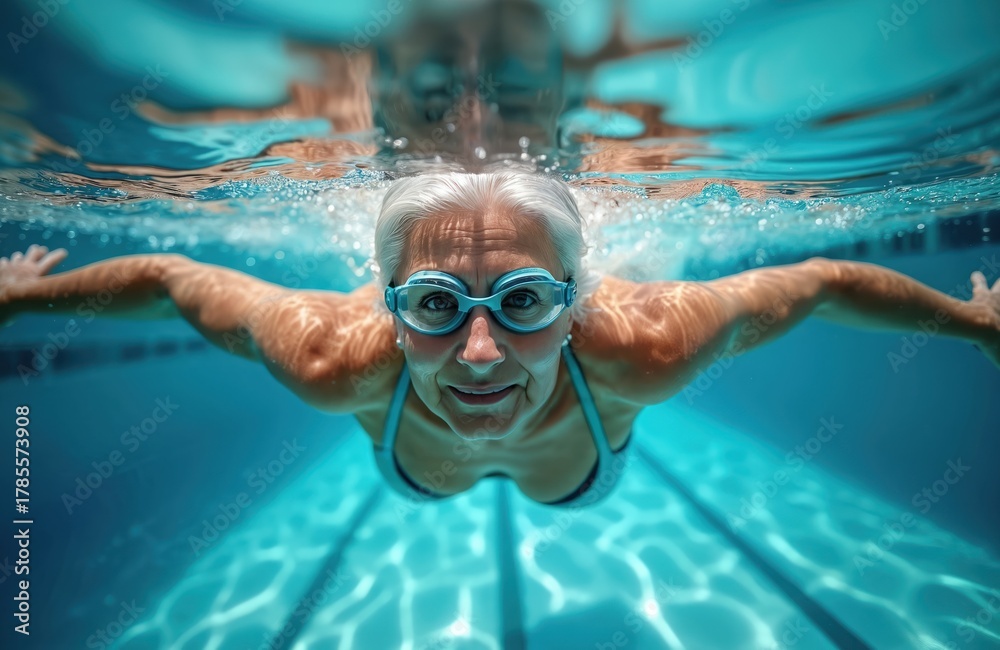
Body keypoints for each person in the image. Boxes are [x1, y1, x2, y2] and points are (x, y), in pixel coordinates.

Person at [2, 172, 998, 507]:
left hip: (558, 458)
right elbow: (177, 278)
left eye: (523, 301)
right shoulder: (333, 353)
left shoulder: (643, 344)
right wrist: (19, 302)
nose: (480, 353)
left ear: (576, 300)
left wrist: (968, 322)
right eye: (434, 305)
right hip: (461, 459)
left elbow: (820, 280)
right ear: (386, 304)